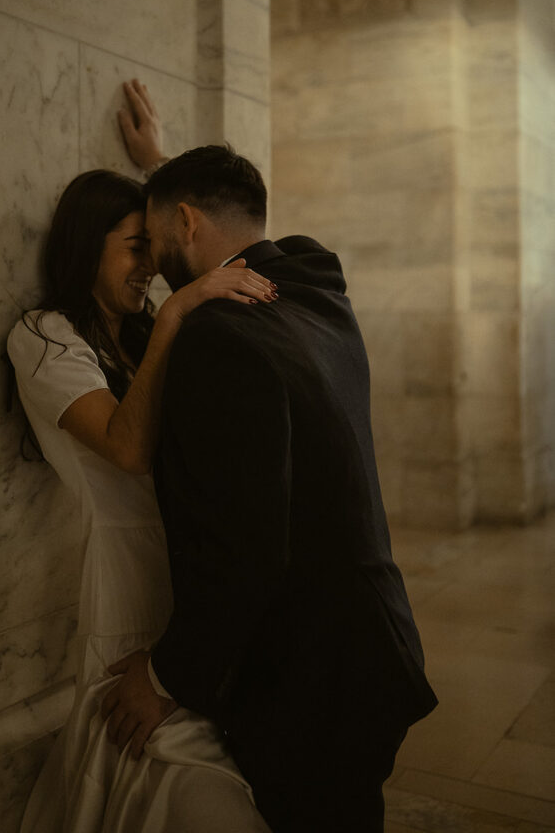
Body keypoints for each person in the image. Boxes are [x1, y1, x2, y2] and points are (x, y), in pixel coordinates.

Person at [104, 86, 439, 832]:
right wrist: (167, 172)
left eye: (158, 248)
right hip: (373, 644)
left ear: (184, 223)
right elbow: (233, 232)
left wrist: (162, 677)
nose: (158, 274)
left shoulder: (218, 338)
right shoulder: (318, 285)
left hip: (312, 679)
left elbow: (244, 546)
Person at [7, 110, 275, 832]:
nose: (150, 266)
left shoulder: (140, 326)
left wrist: (159, 162)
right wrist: (174, 316)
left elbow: (210, 227)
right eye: (132, 249)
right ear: (84, 249)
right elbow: (125, 449)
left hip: (193, 573)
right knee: (161, 770)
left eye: (150, 248)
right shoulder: (43, 339)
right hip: (126, 582)